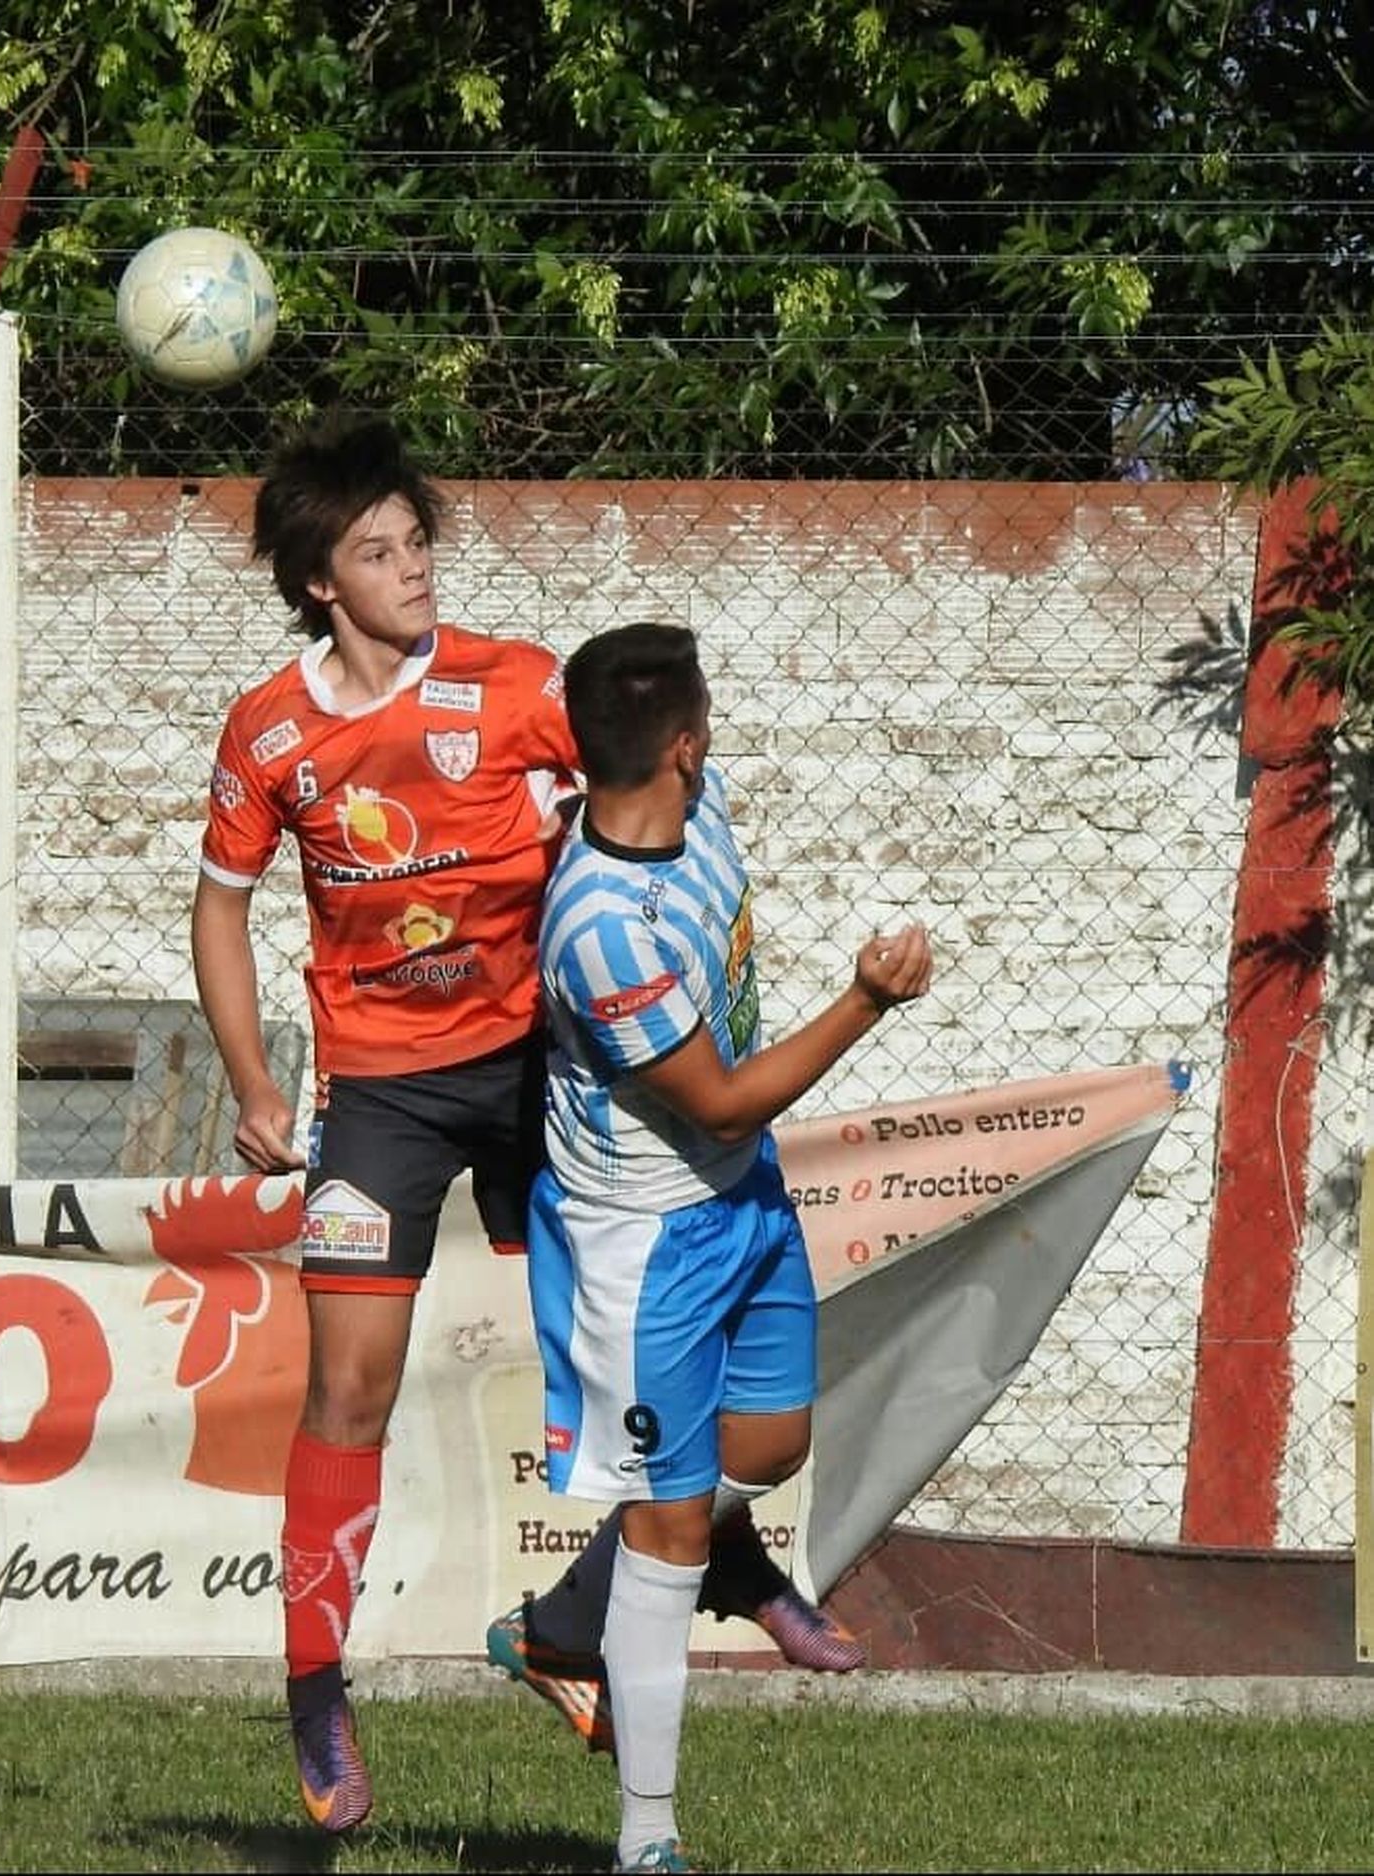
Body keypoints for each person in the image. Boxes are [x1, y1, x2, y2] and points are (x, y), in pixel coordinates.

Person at [191, 412, 842, 1835]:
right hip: (384, 1095)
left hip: (540, 1075)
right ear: (319, 580)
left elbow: (629, 781)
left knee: (663, 1368)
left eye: (420, 539)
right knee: (344, 1388)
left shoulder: (510, 684)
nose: (414, 567)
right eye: (379, 550)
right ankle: (316, 1693)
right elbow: (223, 904)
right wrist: (255, 1082)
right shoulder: (272, 733)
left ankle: (608, 1598)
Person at [510, 622, 933, 1874]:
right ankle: (648, 1840)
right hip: (648, 1246)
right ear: (684, 744)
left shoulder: (697, 800)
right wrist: (866, 1000)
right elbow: (726, 1099)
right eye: (708, 725)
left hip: (740, 1203)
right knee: (673, 1534)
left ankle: (562, 1624)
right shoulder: (600, 929)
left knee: (773, 1441)